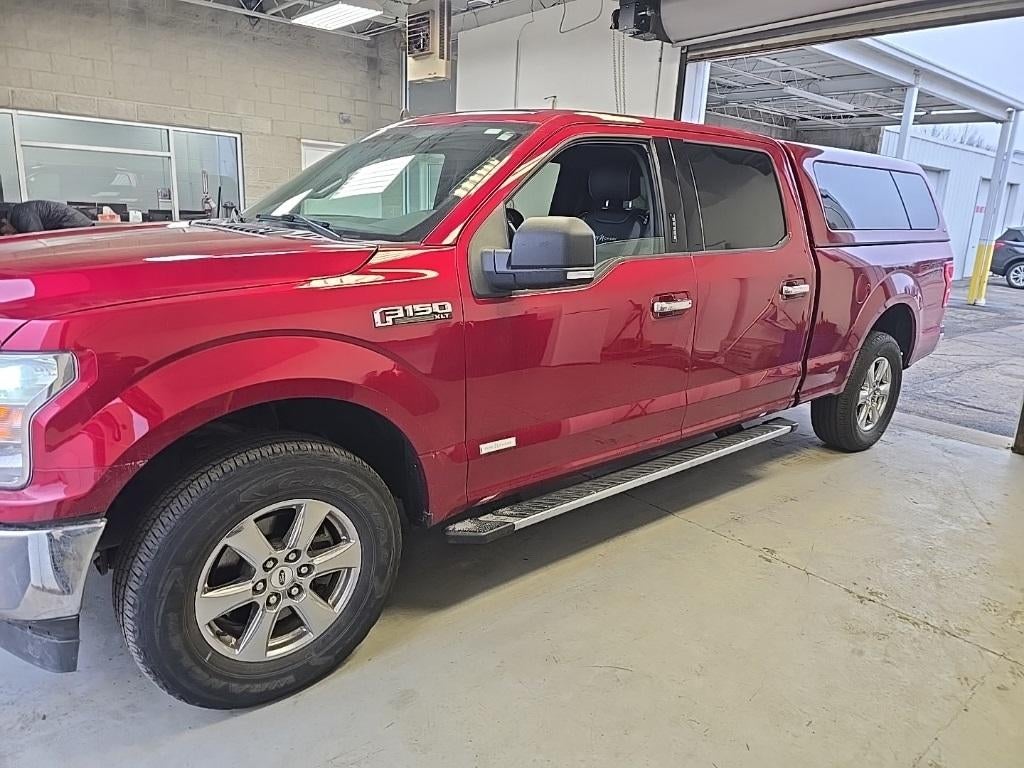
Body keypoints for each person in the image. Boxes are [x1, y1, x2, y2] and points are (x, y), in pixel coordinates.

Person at [0, 200, 95, 235]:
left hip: (76, 226)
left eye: (5, 232)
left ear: (5, 221)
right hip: (76, 224)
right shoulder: (20, 213)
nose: (7, 235)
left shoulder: (20, 217)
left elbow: (36, 238)